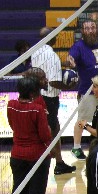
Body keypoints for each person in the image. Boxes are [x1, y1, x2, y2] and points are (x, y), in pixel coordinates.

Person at [5, 77, 52, 194]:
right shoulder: (37, 109)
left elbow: (12, 125)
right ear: (33, 93)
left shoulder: (10, 105)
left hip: (17, 155)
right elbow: (45, 136)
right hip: (36, 157)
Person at [30, 27, 78, 176]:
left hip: (37, 95)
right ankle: (45, 162)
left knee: (54, 128)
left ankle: (59, 162)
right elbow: (54, 82)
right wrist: (69, 86)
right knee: (50, 132)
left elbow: (42, 72)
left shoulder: (35, 52)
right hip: (49, 98)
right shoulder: (52, 56)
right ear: (52, 38)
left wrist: (63, 66)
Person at [67, 18, 98, 160]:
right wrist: (70, 61)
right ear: (82, 31)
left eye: (93, 27)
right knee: (83, 119)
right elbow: (70, 57)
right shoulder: (79, 46)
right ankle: (76, 147)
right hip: (88, 90)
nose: (91, 30)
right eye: (87, 28)